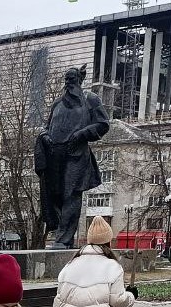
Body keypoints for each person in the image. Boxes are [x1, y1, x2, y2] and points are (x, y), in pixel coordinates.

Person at [35, 66, 111, 249]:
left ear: (79, 80)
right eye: (66, 79)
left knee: (71, 194)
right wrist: (44, 136)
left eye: (72, 79)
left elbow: (103, 124)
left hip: (76, 155)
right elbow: (47, 126)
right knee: (55, 196)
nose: (69, 83)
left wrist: (82, 134)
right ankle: (60, 234)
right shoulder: (57, 103)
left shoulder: (90, 99)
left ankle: (63, 239)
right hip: (54, 154)